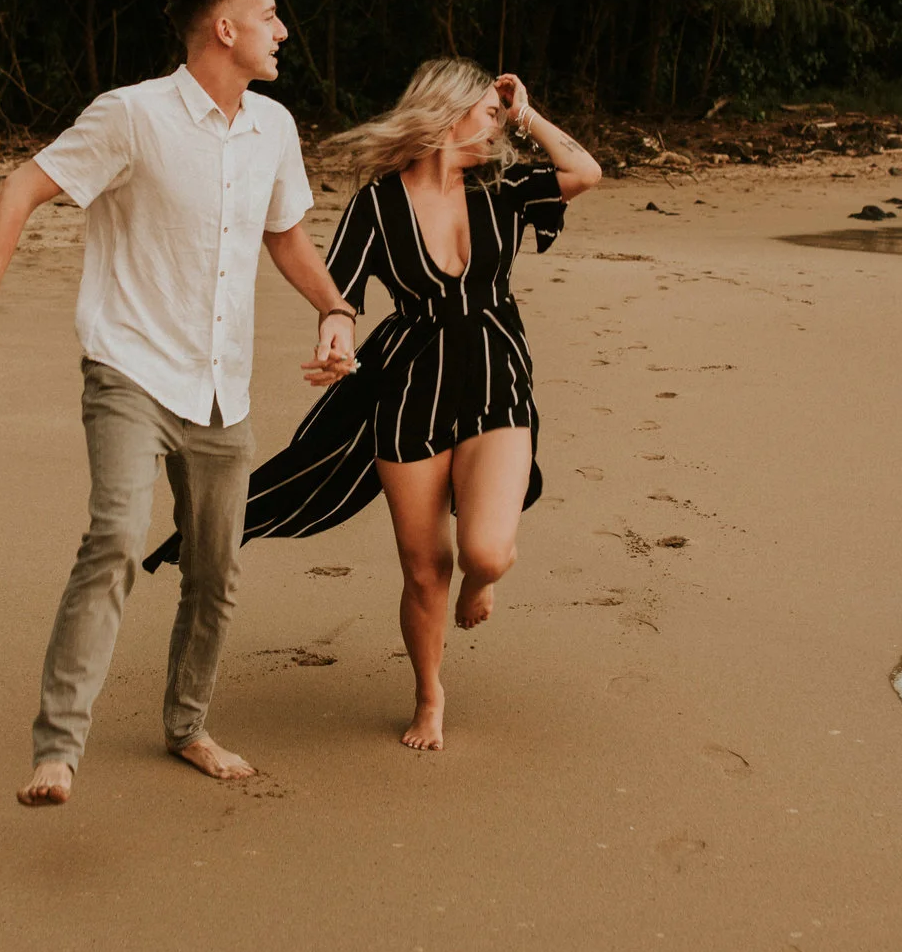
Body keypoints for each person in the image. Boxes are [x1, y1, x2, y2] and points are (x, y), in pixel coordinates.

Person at [0, 0, 358, 808]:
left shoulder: (273, 127)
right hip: (129, 367)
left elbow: (283, 235)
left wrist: (335, 308)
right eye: (269, 15)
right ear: (224, 28)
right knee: (118, 535)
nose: (283, 31)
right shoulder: (130, 116)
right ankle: (57, 749)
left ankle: (188, 724)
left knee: (215, 567)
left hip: (221, 387)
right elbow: (19, 189)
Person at [145, 58, 601, 750]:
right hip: (410, 386)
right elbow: (342, 297)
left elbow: (586, 173)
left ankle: (483, 579)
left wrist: (526, 113)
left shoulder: (502, 185)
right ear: (448, 113)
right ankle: (429, 694)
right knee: (424, 571)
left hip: (495, 374)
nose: (498, 125)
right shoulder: (378, 205)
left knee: (487, 549)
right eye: (488, 111)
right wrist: (335, 339)